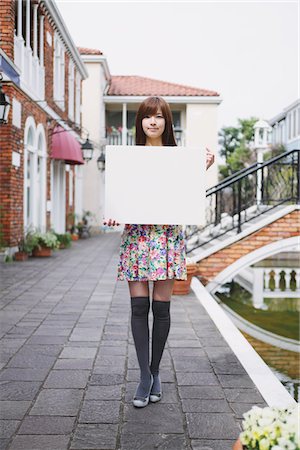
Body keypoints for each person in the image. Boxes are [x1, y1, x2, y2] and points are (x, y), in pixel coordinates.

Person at [104, 96, 215, 408]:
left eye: (159, 116)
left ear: (167, 122)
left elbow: (188, 198)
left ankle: (155, 372)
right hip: (137, 238)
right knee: (139, 308)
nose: (152, 122)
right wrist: (114, 213)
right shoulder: (129, 159)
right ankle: (143, 376)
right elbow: (120, 198)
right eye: (147, 116)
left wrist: (202, 169)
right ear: (140, 122)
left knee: (161, 309)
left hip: (166, 238)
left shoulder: (180, 158)